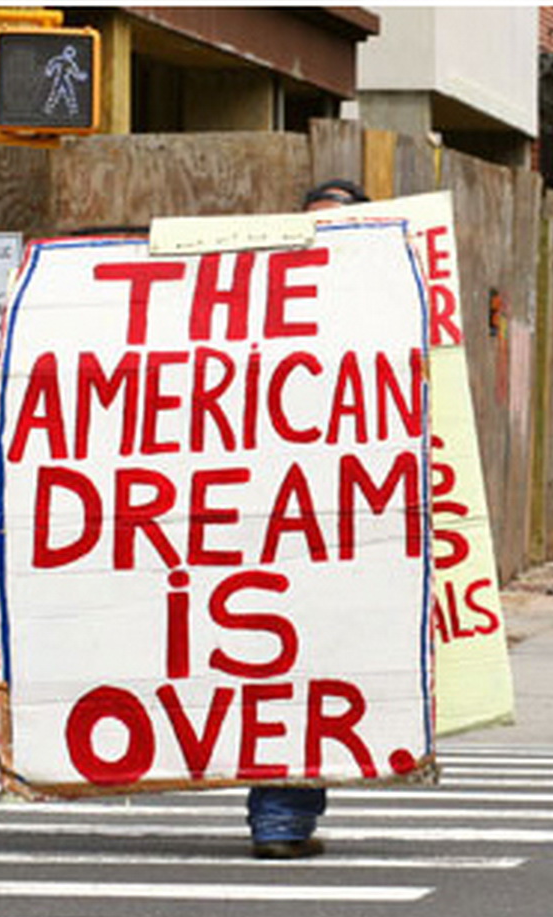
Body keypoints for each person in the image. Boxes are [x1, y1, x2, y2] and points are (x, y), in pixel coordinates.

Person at [248, 178, 371, 861]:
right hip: (258, 519)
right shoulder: (254, 303)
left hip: (340, 522)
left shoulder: (383, 308)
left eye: (338, 227)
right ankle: (280, 817)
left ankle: (283, 816)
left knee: (311, 663)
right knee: (273, 660)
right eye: (312, 226)